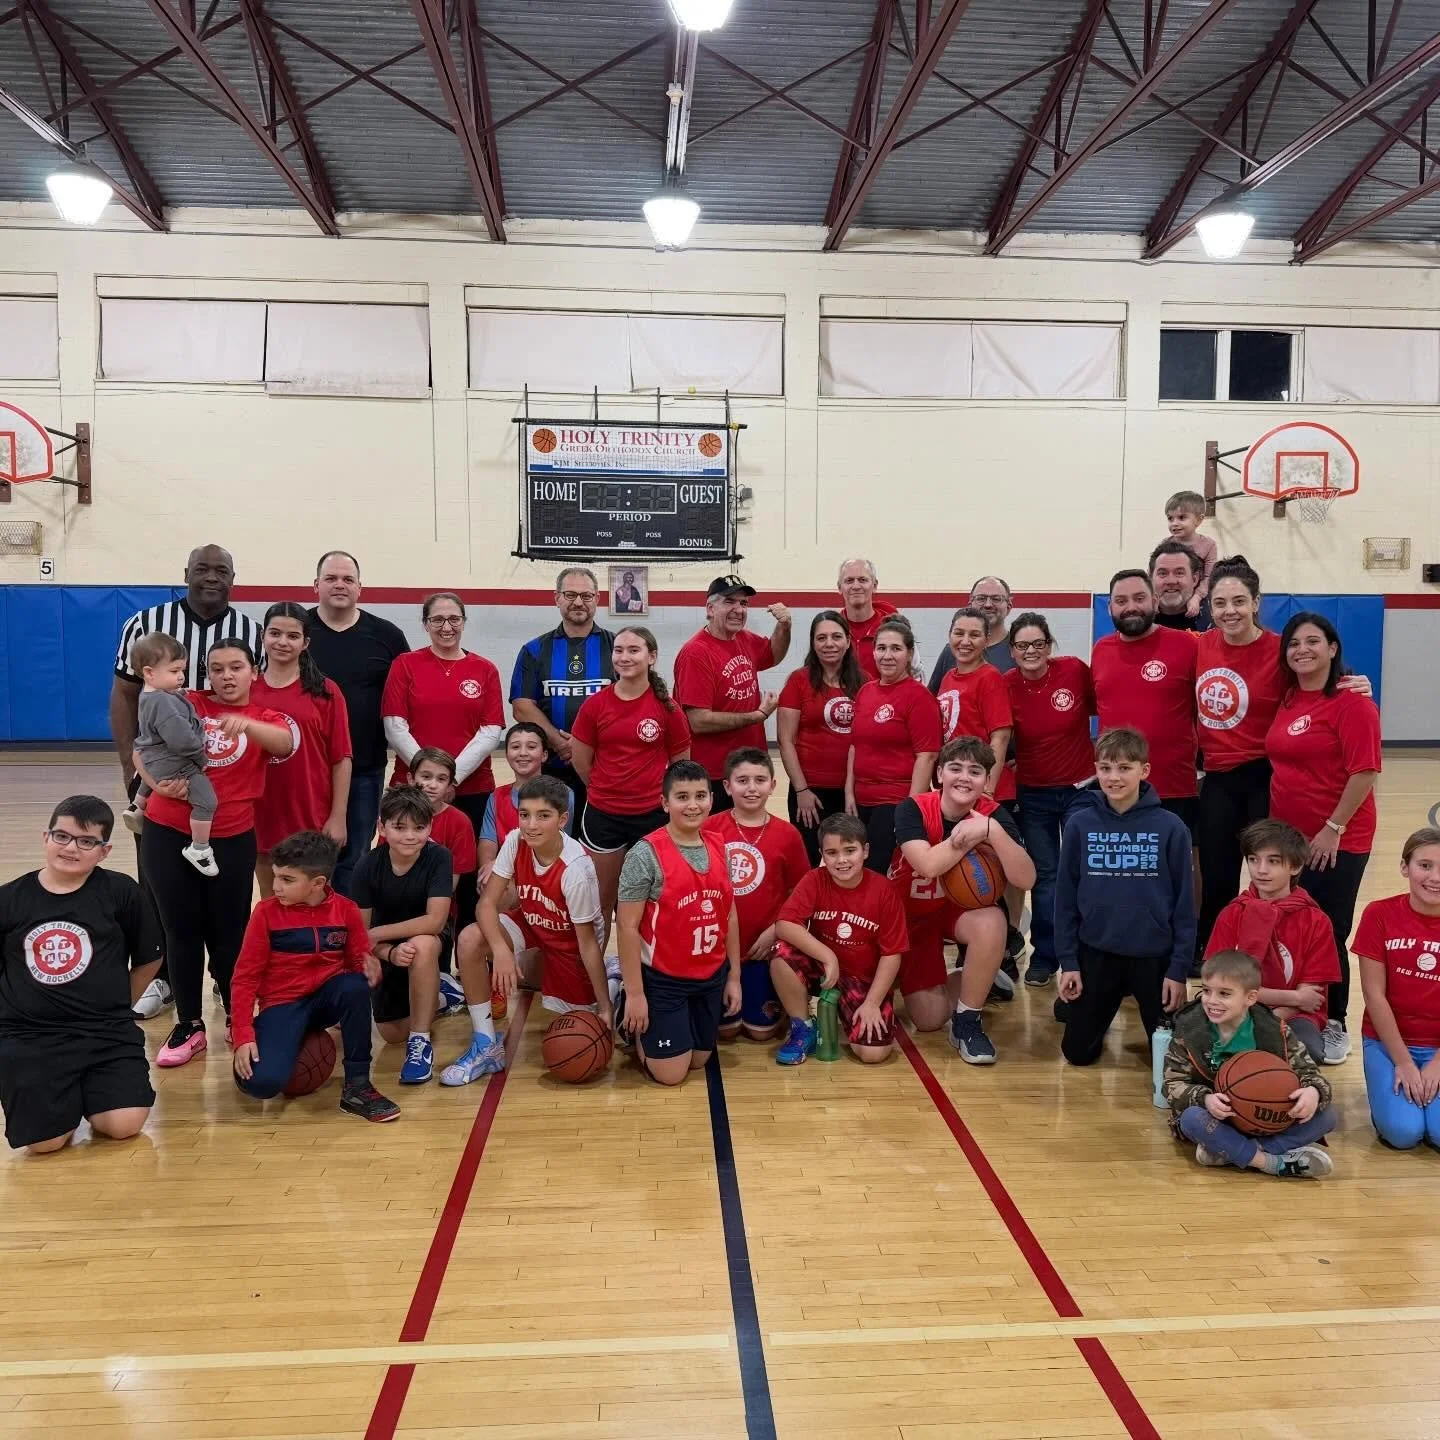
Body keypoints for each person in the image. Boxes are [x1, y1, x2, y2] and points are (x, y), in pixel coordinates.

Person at [110, 544, 260, 1020]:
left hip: (225, 782)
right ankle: (164, 979)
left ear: (234, 578)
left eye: (221, 570)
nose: (211, 577)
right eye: (202, 569)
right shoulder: (145, 624)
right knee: (161, 890)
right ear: (186, 574)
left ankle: (225, 980)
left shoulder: (248, 631)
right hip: (163, 781)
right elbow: (123, 695)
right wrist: (133, 771)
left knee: (224, 898)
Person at [138, 641, 293, 1069]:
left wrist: (244, 723)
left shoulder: (265, 716)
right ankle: (190, 1024)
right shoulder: (183, 701)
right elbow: (140, 747)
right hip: (167, 830)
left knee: (230, 931)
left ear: (253, 671)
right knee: (180, 929)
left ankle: (236, 1015)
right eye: (217, 668)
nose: (226, 676)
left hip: (231, 836)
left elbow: (283, 743)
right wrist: (155, 782)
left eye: (236, 667)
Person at [0, 796, 162, 1155]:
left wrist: (119, 1006)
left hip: (105, 1031)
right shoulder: (9, 899)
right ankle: (60, 1105)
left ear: (104, 851)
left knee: (122, 1125)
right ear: (46, 837)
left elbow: (150, 956)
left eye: (86, 841)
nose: (71, 848)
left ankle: (87, 1093)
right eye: (62, 836)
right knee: (44, 1144)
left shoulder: (121, 892)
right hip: (31, 1037)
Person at [1266, 611, 1381, 1065]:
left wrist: (1332, 828)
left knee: (1328, 930)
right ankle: (1297, 1010)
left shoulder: (1353, 704)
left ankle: (1334, 1020)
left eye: (1313, 641)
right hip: (1288, 839)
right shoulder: (1290, 698)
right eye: (1294, 643)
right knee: (1289, 927)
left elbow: (1365, 771)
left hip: (1336, 840)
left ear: (1333, 649)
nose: (1302, 650)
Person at [443, 777, 611, 1086]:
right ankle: (486, 1045)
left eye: (543, 816)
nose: (531, 824)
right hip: (532, 922)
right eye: (524, 814)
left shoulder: (576, 868)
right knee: (470, 939)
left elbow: (587, 944)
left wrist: (605, 1009)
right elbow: (486, 906)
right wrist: (502, 950)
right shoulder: (516, 840)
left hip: (569, 944)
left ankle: (613, 984)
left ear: (562, 819)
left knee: (577, 1032)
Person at [229, 831, 399, 1122]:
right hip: (282, 1004)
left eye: (287, 879)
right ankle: (269, 1039)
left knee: (354, 987)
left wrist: (369, 967)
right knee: (261, 1085)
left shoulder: (346, 910)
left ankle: (358, 1086)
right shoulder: (265, 913)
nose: (276, 886)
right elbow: (244, 978)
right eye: (276, 876)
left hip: (324, 1000)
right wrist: (242, 1035)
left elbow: (358, 961)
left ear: (317, 883)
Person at [889, 737, 1034, 1062]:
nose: (964, 777)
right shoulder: (913, 808)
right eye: (955, 768)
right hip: (911, 915)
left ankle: (968, 1022)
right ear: (940, 773)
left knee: (992, 921)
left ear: (986, 780)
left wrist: (993, 831)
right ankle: (979, 975)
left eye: (975, 771)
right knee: (927, 1020)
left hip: (959, 912)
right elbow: (927, 864)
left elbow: (1026, 878)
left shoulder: (993, 815)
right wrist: (968, 837)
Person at [1055, 728, 1193, 1066]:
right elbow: (1065, 898)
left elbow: (1185, 905)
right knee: (1077, 1054)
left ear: (1143, 770)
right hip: (1097, 953)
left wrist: (1178, 971)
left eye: (1124, 768)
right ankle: (1091, 1011)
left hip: (1153, 958)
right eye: (1105, 768)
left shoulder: (1171, 827)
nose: (1113, 777)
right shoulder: (1079, 824)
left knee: (1172, 1060)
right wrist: (1069, 963)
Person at [614, 760, 740, 1087]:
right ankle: (625, 1006)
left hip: (710, 974)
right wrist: (637, 993)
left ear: (712, 799)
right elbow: (627, 927)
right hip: (663, 979)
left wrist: (734, 976)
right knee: (671, 1075)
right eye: (682, 797)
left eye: (700, 795)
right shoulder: (644, 854)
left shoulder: (719, 845)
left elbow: (729, 914)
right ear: (665, 803)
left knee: (699, 1061)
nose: (693, 804)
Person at [383, 592, 502, 923]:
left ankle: (465, 960)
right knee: (405, 870)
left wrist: (452, 778)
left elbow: (491, 730)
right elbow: (394, 725)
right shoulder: (405, 665)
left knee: (466, 880)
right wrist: (428, 777)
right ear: (425, 624)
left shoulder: (485, 669)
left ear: (464, 622)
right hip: (410, 790)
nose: (446, 626)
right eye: (437, 619)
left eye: (454, 619)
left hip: (473, 788)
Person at [1162, 950, 1334, 1178]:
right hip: (1218, 1118)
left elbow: (1309, 1071)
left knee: (1328, 1116)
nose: (1211, 1000)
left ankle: (1233, 1152)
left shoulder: (1276, 1030)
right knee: (1191, 1119)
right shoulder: (1189, 1031)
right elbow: (1171, 1084)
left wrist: (1312, 1092)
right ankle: (1271, 1163)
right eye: (1206, 991)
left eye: (1224, 994)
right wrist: (1205, 1098)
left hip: (1266, 1116)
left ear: (1250, 998)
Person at [571, 626, 691, 929]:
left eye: (633, 650)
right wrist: (607, 790)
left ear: (651, 657)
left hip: (651, 817)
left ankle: (639, 975)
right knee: (599, 904)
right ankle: (596, 976)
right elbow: (581, 761)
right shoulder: (596, 705)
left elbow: (681, 768)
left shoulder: (668, 708)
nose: (624, 657)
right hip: (603, 815)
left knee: (648, 905)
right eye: (619, 650)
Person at [306, 551, 409, 897]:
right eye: (331, 578)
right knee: (307, 855)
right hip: (306, 770)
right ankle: (305, 935)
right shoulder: (297, 632)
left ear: (360, 588)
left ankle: (342, 935)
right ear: (315, 585)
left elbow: (405, 700)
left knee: (354, 855)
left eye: (348, 579)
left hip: (365, 767)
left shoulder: (387, 636)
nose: (339, 585)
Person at [772, 813, 909, 1065]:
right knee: (782, 953)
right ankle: (803, 1027)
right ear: (822, 855)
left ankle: (846, 1011)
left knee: (873, 1054)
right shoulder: (815, 879)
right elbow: (785, 924)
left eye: (849, 850)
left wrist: (871, 1004)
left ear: (865, 851)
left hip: (863, 979)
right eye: (832, 853)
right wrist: (828, 956)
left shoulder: (884, 891)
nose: (842, 860)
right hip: (823, 968)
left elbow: (892, 954)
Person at [1004, 613, 1095, 988]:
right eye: (1023, 645)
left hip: (1082, 788)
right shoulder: (1005, 685)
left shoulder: (1074, 670)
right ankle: (1046, 954)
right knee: (1045, 877)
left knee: (1083, 874)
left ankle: (1087, 954)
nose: (1031, 651)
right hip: (1035, 793)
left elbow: (1106, 707)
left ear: (1049, 645)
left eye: (1038, 644)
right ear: (1011, 651)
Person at [1205, 820, 1340, 1063]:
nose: (1261, 870)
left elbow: (1311, 998)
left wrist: (1268, 1020)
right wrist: (1293, 997)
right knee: (1202, 1046)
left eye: (1273, 861)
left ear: (1296, 866)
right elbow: (1219, 985)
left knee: (1305, 1049)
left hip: (1294, 1014)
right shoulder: (1232, 913)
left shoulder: (1316, 921)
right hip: (1233, 1009)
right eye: (1254, 860)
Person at [703, 747, 809, 1042]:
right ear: (726, 786)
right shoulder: (710, 829)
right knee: (725, 1032)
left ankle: (788, 1001)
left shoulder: (788, 835)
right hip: (719, 951)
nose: (751, 788)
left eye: (760, 780)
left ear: (773, 785)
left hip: (762, 948)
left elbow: (800, 894)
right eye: (742, 780)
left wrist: (776, 929)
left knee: (759, 1033)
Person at [351, 785, 454, 1085]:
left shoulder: (438, 857)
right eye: (399, 827)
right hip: (384, 949)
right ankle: (441, 994)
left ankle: (420, 1043)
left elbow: (435, 921)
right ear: (381, 827)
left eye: (419, 828)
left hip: (426, 938)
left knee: (421, 946)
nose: (410, 836)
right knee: (392, 1034)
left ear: (430, 827)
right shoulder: (367, 866)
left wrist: (379, 933)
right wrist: (388, 952)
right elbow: (360, 935)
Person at [252, 602, 352, 899]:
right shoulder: (246, 688)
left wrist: (338, 816)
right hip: (260, 813)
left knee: (312, 899)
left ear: (305, 642)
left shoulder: (326, 691)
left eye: (293, 636)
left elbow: (341, 758)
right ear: (262, 636)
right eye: (275, 633)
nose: (283, 642)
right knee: (272, 896)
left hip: (309, 812)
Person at [1090, 570, 1199, 836]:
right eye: (1122, 600)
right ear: (1110, 607)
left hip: (1173, 786)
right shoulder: (1101, 650)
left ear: (1155, 600)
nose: (1131, 607)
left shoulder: (1187, 645)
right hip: (1116, 789)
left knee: (1175, 867)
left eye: (1139, 598)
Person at [673, 574, 792, 811]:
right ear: (710, 608)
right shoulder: (696, 653)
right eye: (729, 602)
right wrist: (757, 716)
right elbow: (698, 721)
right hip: (714, 774)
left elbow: (773, 654)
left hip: (748, 768)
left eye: (744, 603)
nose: (738, 609)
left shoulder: (743, 638)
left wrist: (784, 626)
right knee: (716, 843)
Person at [510, 567, 617, 829]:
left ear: (597, 599)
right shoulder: (534, 650)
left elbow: (635, 704)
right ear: (556, 598)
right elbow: (522, 707)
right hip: (551, 770)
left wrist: (583, 748)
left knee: (599, 844)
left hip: (606, 770)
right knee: (554, 843)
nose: (578, 602)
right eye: (570, 595)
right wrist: (561, 743)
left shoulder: (618, 647)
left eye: (586, 595)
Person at [1355, 828, 1440, 1149]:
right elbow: (1373, 995)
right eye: (1425, 865)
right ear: (1405, 867)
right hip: (1388, 1043)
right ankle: (1391, 1101)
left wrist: (1438, 1062)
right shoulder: (1379, 914)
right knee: (1403, 1134)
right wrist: (1403, 1061)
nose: (1435, 877)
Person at [846, 617, 941, 874]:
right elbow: (855, 746)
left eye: (896, 649)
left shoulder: (919, 697)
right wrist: (849, 792)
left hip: (894, 802)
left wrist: (909, 812)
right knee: (859, 873)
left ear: (909, 654)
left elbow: (927, 757)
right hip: (861, 800)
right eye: (882, 648)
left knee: (878, 874)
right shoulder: (866, 691)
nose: (887, 655)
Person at [121, 633, 219, 876]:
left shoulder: (151, 695)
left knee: (153, 764)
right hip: (175, 764)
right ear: (149, 673)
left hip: (151, 757)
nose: (181, 676)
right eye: (175, 671)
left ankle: (138, 803)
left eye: (182, 670)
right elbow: (182, 741)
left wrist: (179, 694)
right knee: (207, 801)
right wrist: (200, 759)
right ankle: (200, 847)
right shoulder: (164, 704)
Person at [777, 610, 865, 866]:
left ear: (848, 641)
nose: (829, 644)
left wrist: (851, 791)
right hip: (810, 793)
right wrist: (801, 789)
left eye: (836, 637)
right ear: (813, 643)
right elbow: (786, 740)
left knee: (848, 860)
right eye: (821, 638)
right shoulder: (798, 681)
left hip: (851, 792)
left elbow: (864, 742)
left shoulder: (864, 683)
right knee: (807, 860)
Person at [478, 723, 574, 882]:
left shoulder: (564, 794)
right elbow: (488, 842)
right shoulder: (496, 796)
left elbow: (558, 845)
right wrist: (488, 869)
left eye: (531, 747)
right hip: (506, 878)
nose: (523, 753)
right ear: (507, 754)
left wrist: (504, 864)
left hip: (547, 877)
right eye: (515, 747)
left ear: (544, 755)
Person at [935, 606, 1013, 801]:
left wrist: (988, 789)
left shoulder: (990, 678)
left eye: (974, 635)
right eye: (959, 633)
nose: (965, 641)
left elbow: (1001, 737)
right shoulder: (948, 677)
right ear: (949, 635)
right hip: (957, 784)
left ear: (986, 640)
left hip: (982, 788)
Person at [928, 576, 1014, 690]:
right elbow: (933, 699)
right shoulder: (952, 651)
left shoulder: (1019, 650)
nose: (988, 605)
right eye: (981, 598)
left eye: (996, 599)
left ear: (1009, 607)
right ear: (970, 604)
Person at [836, 557, 897, 678]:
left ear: (874, 585)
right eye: (849, 581)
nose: (856, 586)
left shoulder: (895, 629)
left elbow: (913, 676)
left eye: (863, 580)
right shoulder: (832, 631)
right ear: (839, 587)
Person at [1160, 490, 1218, 618]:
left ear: (1199, 520)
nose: (1174, 523)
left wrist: (1197, 597)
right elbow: (1154, 574)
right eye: (1170, 518)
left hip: (1198, 603)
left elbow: (1210, 577)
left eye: (1181, 517)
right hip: (1169, 601)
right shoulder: (1165, 545)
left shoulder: (1208, 545)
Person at [1149, 540, 1208, 632]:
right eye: (1163, 573)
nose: (1171, 581)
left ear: (1195, 579)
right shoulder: (1138, 620)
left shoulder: (1215, 620)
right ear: (1150, 578)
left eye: (1179, 573)